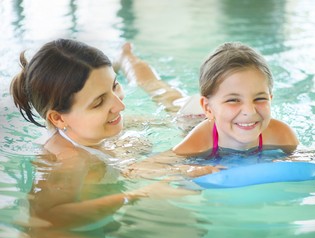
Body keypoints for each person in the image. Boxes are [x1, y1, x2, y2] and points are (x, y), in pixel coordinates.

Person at [9, 39, 210, 231]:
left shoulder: (89, 127)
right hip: (113, 158)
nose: (120, 105)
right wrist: (142, 194)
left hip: (110, 143)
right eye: (98, 102)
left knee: (169, 98)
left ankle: (126, 59)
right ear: (59, 119)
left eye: (114, 86)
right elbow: (51, 218)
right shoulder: (68, 161)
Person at [116, 42, 299, 159]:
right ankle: (127, 59)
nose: (250, 111)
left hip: (222, 112)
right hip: (190, 116)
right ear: (208, 107)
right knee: (161, 92)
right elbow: (144, 169)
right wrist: (189, 171)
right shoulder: (201, 140)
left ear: (270, 98)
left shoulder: (281, 134)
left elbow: (310, 162)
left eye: (260, 98)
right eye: (233, 99)